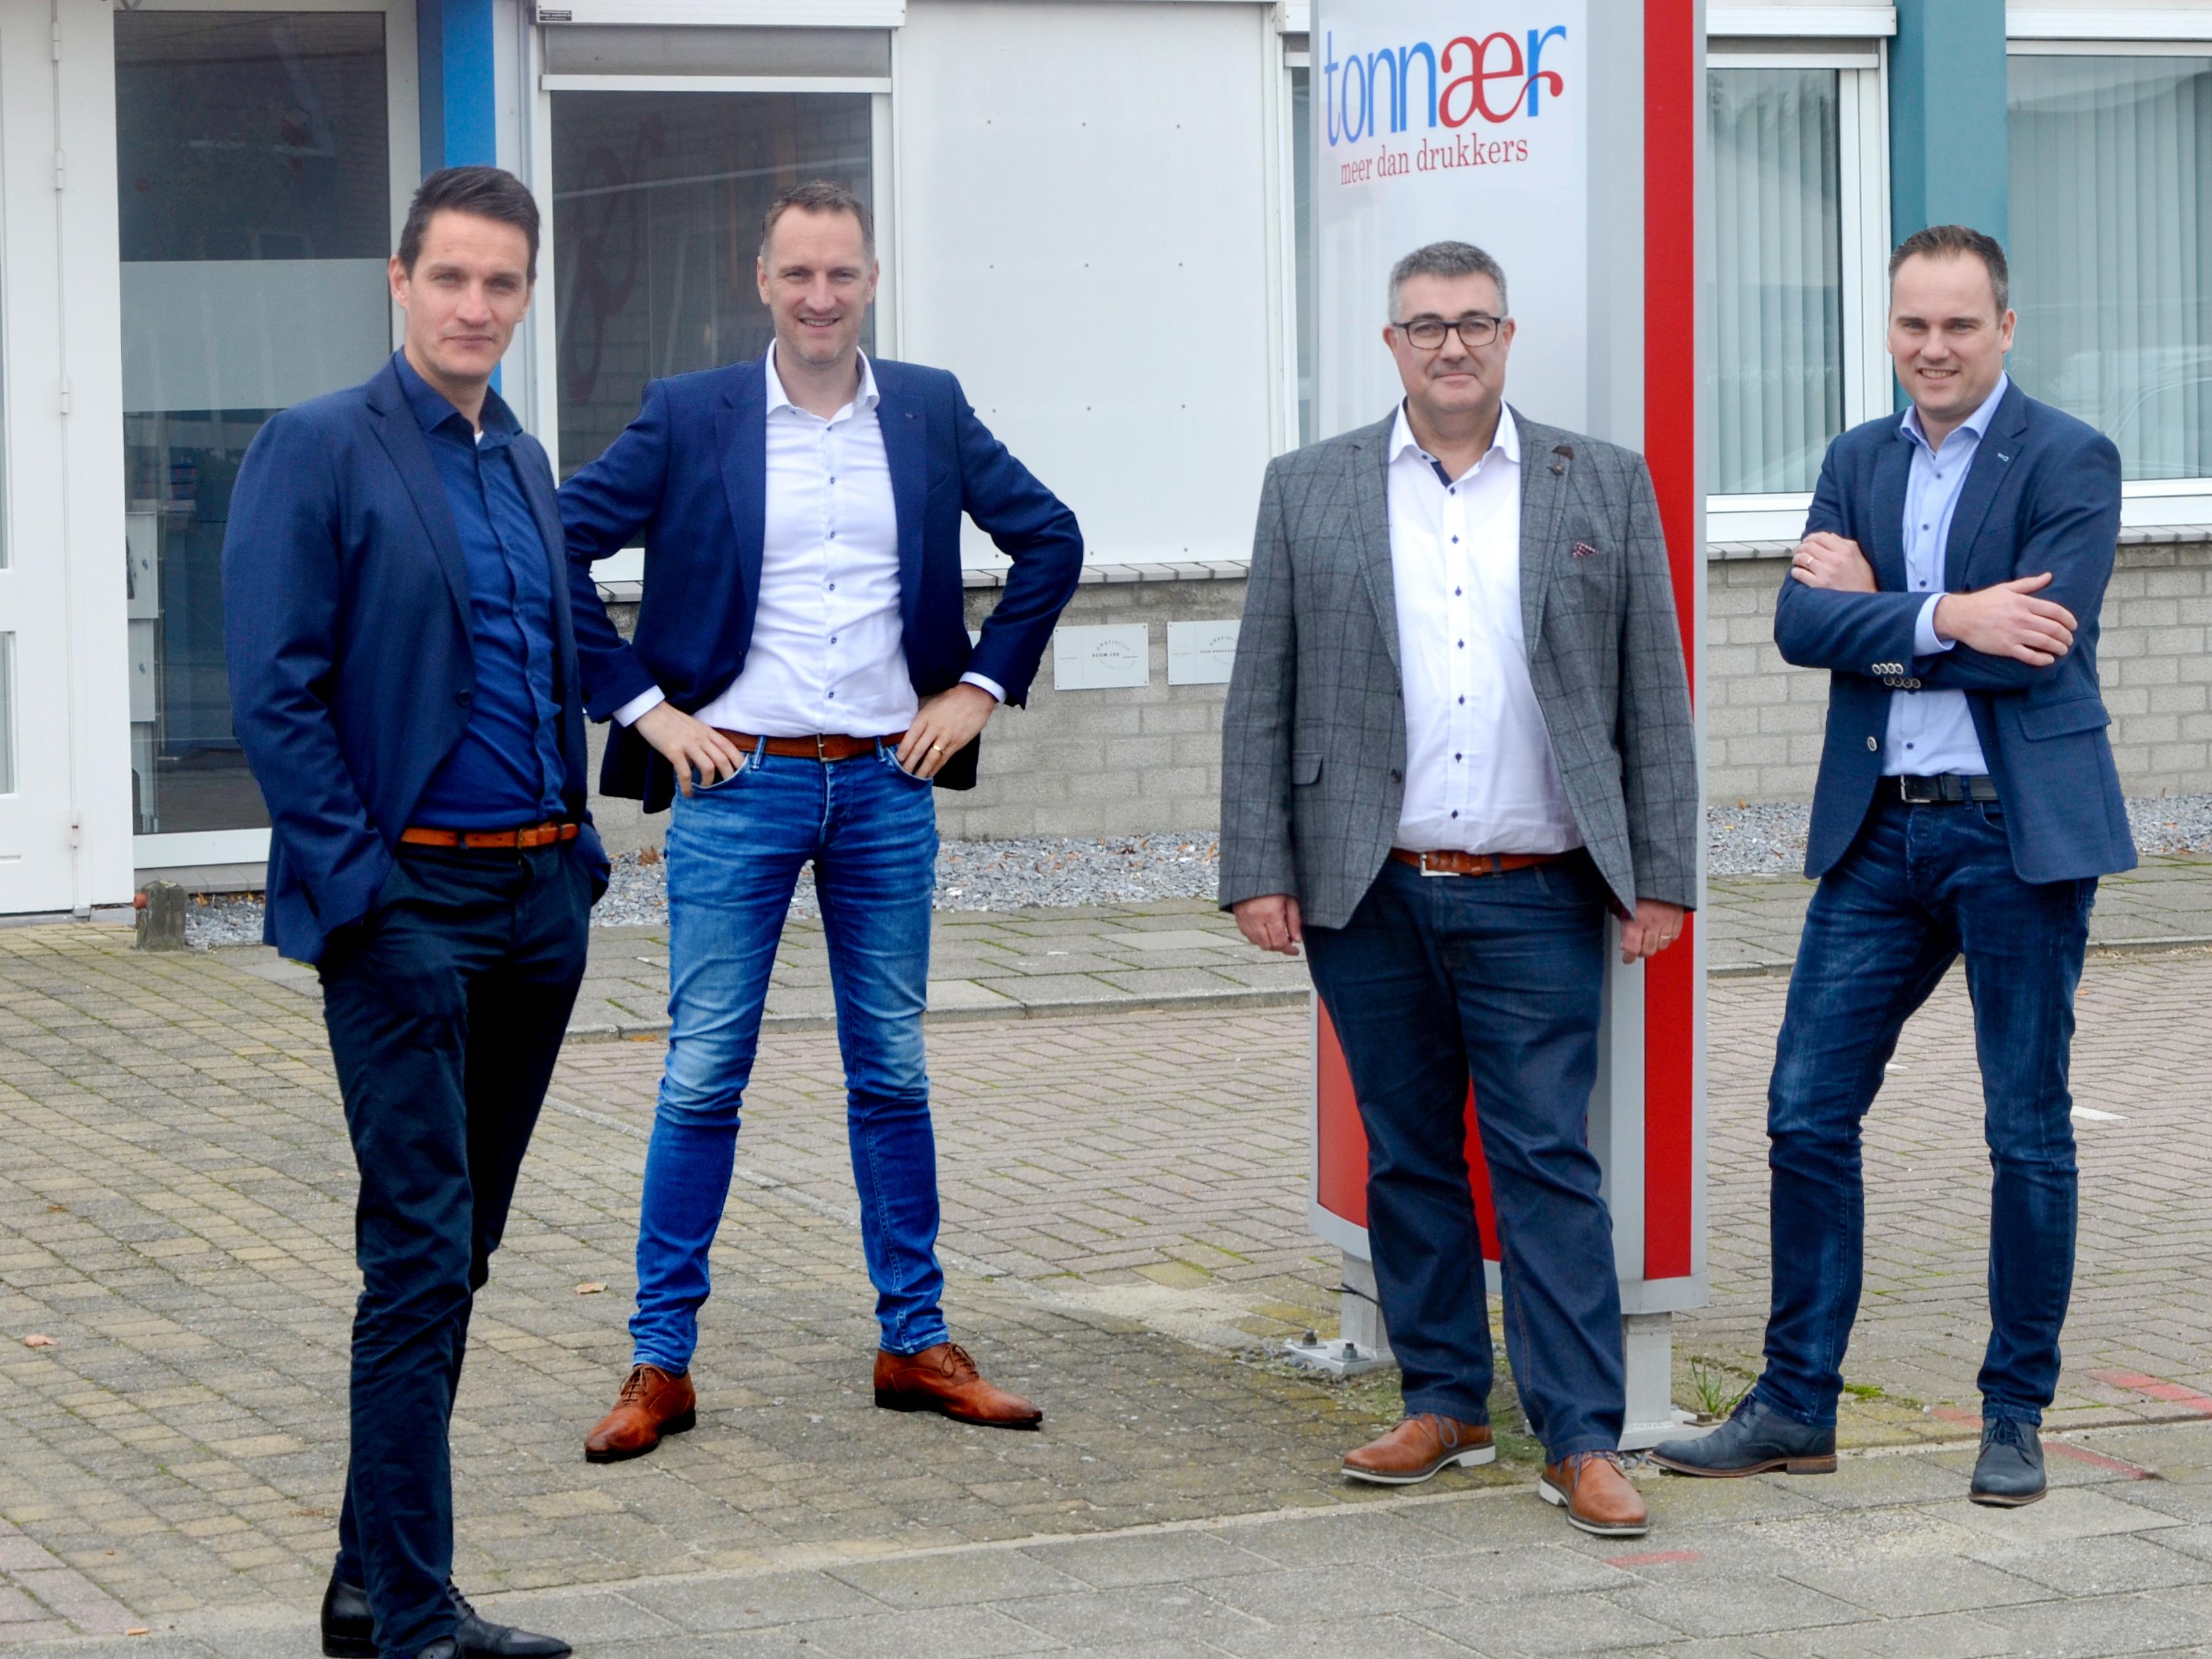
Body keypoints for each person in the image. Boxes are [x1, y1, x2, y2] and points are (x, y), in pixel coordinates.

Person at [562, 179, 1083, 1460]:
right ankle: (659, 1362)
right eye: (796, 273)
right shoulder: (691, 413)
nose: (819, 295)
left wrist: (978, 686)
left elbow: (1050, 539)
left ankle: (915, 1340)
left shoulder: (928, 407)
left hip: (886, 785)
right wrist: (645, 710)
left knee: (890, 1069)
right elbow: (549, 546)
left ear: (870, 280)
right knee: (701, 1073)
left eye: (840, 272)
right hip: (737, 784)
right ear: (762, 280)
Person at [1220, 240, 1698, 1538]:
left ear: (1506, 337)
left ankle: (1579, 1434)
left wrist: (1660, 874)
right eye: (1425, 324)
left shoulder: (1597, 479)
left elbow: (1651, 692)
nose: (1450, 344)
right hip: (1366, 886)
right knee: (1410, 1151)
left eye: (1473, 322)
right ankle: (1442, 1401)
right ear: (1391, 344)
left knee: (1545, 1158)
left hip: (1537, 889)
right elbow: (1262, 687)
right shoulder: (1308, 487)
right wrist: (1256, 866)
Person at [1651, 225, 2130, 1507]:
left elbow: (2037, 644)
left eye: (1958, 324)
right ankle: (1793, 1404)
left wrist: (1887, 614)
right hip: (1877, 830)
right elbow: (1796, 624)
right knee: (1803, 1111)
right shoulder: (1853, 458)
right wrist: (1947, 614)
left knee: (2023, 1128)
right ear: (1888, 329)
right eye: (1912, 324)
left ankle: (2013, 1412)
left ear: (2003, 328)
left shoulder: (2069, 457)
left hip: (2013, 833)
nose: (1932, 346)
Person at [224, 167, 602, 1659]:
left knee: (461, 1251)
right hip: (408, 907)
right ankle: (414, 1618)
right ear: (399, 281)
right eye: (450, 277)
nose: (475, 306)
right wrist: (364, 893)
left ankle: (366, 1584)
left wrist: (576, 852)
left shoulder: (523, 459)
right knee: (419, 1253)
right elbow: (276, 691)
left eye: (502, 282)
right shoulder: (319, 446)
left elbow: (543, 661)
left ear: (526, 295)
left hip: (536, 902)